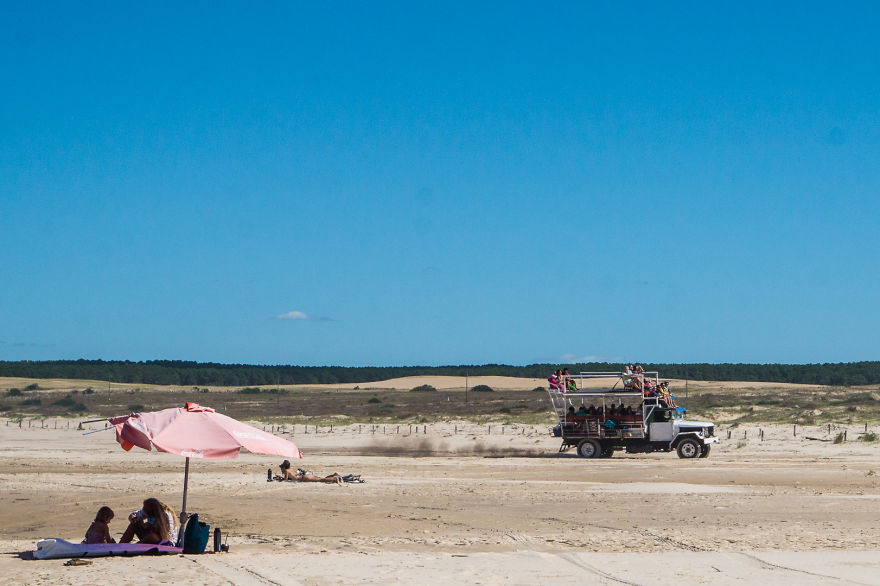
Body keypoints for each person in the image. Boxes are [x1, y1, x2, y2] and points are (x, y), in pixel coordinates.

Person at [276, 460, 344, 484]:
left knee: (320, 480)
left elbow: (286, 480)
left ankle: (335, 479)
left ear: (284, 467)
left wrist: (280, 478)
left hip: (304, 478)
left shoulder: (286, 471)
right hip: (304, 476)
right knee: (320, 479)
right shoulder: (291, 469)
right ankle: (334, 475)